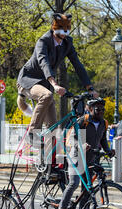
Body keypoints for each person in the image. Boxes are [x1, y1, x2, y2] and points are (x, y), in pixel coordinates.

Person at [16, 13, 98, 141]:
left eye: (67, 32)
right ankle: (32, 133)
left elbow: (77, 65)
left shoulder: (67, 43)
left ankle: (48, 160)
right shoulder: (43, 41)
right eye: (62, 31)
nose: (64, 36)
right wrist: (54, 84)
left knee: (53, 130)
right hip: (29, 80)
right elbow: (44, 62)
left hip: (45, 84)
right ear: (54, 29)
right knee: (46, 95)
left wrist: (90, 88)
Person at [55, 98, 115, 209]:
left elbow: (103, 139)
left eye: (102, 110)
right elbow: (72, 139)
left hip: (90, 159)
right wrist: (81, 145)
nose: (101, 112)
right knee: (74, 183)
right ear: (90, 109)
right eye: (98, 110)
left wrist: (108, 151)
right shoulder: (84, 121)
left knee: (87, 190)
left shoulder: (103, 123)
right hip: (77, 156)